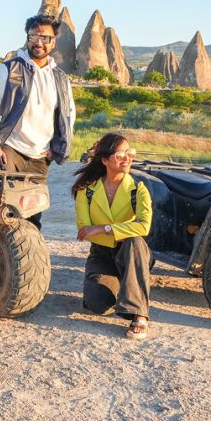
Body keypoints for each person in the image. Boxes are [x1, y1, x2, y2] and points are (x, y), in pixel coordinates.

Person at [0, 14, 76, 227]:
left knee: (32, 216)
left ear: (54, 41)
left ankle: (28, 259)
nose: (39, 42)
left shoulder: (60, 78)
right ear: (27, 37)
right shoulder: (10, 69)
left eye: (45, 37)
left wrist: (58, 149)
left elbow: (68, 115)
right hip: (9, 151)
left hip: (40, 157)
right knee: (1, 212)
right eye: (34, 36)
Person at [72, 133, 154, 340]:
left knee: (134, 241)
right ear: (105, 160)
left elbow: (143, 227)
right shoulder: (87, 191)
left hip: (131, 252)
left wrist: (104, 228)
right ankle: (126, 283)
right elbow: (84, 228)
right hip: (102, 254)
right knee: (96, 304)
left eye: (130, 153)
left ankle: (140, 314)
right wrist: (102, 230)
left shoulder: (138, 189)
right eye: (120, 154)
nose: (127, 158)